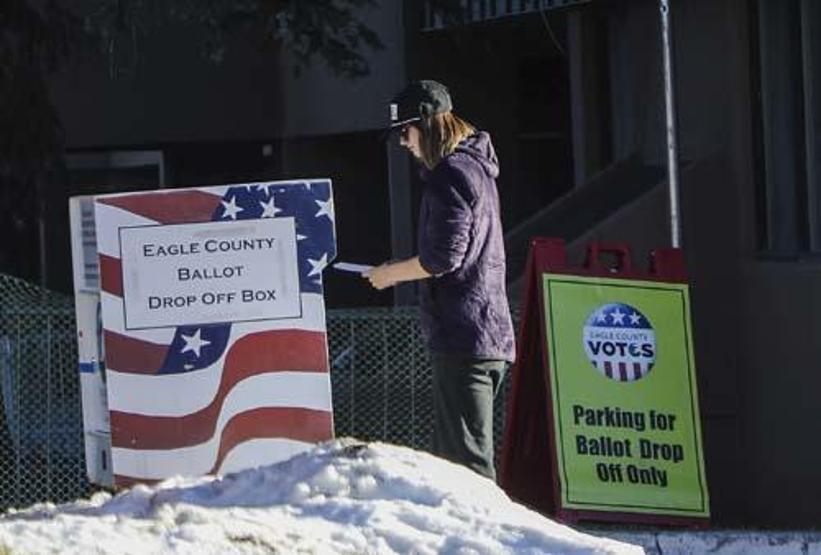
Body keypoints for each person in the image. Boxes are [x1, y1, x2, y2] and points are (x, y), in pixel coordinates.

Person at [363, 80, 515, 481]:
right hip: (485, 336)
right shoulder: (476, 170)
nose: (402, 142)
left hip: (465, 339)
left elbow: (442, 258)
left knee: (467, 468)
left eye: (405, 131)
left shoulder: (451, 173)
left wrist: (388, 274)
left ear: (429, 124)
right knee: (456, 464)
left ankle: (487, 543)